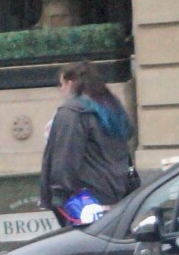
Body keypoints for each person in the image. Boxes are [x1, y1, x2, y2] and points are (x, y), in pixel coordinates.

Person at [39, 61, 136, 226]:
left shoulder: (72, 113)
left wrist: (58, 196)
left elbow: (65, 160)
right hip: (117, 193)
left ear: (69, 84)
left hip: (85, 200)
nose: (61, 90)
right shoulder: (112, 108)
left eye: (61, 85)